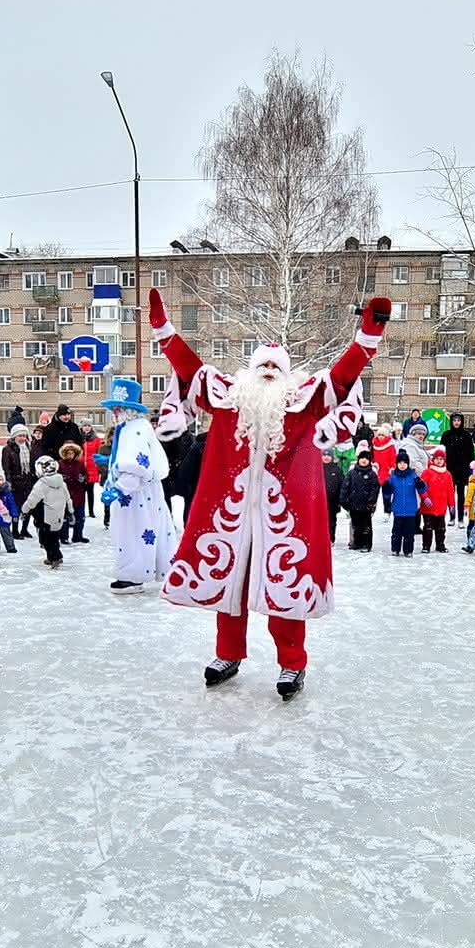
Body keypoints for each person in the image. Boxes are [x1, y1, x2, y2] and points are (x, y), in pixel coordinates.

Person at [149, 288, 384, 700]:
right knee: (229, 584)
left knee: (285, 586)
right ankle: (228, 654)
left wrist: (367, 336)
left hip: (285, 517)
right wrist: (164, 331)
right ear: (250, 371)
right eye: (263, 364)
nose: (270, 369)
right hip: (231, 514)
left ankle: (292, 665)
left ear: (288, 373)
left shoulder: (303, 400)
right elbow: (190, 369)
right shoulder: (228, 397)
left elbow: (342, 377)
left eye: (278, 365)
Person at [98, 376, 176, 594]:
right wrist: (111, 463)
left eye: (117, 408)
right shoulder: (132, 427)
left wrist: (119, 488)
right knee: (140, 531)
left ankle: (132, 576)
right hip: (138, 494)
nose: (114, 413)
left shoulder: (134, 430)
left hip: (134, 496)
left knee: (134, 533)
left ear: (127, 409)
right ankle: (139, 572)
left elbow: (137, 466)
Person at [22, 454, 73, 569]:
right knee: (54, 536)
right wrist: (70, 511)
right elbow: (68, 498)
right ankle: (53, 556)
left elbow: (32, 499)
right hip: (59, 515)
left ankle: (55, 557)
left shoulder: (41, 484)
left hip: (46, 516)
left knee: (45, 538)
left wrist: (24, 510)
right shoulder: (62, 482)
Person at [383, 450, 427, 557]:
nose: (402, 465)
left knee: (409, 532)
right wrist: (386, 489)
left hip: (410, 510)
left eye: (404, 463)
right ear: (397, 464)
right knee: (396, 532)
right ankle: (395, 549)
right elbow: (387, 494)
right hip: (398, 510)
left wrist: (421, 484)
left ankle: (408, 550)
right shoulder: (393, 477)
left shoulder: (413, 476)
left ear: (408, 464)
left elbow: (423, 489)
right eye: (400, 463)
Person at [2, 424, 36, 539]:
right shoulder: (8, 449)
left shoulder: (29, 447)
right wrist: (9, 482)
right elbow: (7, 468)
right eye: (20, 436)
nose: (22, 438)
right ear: (14, 437)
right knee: (15, 507)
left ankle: (24, 529)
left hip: (28, 481)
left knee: (28, 506)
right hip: (16, 482)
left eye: (24, 436)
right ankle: (15, 530)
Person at [341, 449, 380, 551]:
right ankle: (357, 543)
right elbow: (345, 487)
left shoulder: (372, 474)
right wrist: (344, 500)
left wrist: (371, 501)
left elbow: (375, 489)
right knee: (356, 525)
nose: (363, 460)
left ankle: (366, 544)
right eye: (362, 458)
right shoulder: (351, 473)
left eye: (366, 459)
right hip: (353, 504)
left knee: (366, 526)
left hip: (366, 505)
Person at [442, 412, 475, 522]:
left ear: (461, 422)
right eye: (454, 420)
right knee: (450, 495)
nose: (456, 422)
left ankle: (461, 518)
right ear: (451, 422)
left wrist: (470, 467)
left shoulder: (466, 435)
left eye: (458, 420)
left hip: (462, 469)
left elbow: (471, 453)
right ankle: (452, 517)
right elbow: (442, 451)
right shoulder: (446, 435)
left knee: (461, 494)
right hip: (450, 469)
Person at [420, 448, 455, 553]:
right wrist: (425, 497)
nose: (439, 461)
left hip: (441, 507)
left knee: (441, 529)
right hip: (428, 507)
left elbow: (450, 491)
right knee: (428, 528)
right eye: (437, 459)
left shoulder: (447, 474)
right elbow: (421, 487)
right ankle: (426, 546)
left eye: (441, 459)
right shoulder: (427, 472)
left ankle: (440, 545)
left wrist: (452, 504)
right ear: (433, 460)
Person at [55, 441, 90, 545]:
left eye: (72, 453)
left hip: (78, 492)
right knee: (65, 516)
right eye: (68, 453)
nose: (70, 455)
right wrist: (62, 479)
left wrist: (82, 478)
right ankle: (64, 537)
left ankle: (78, 536)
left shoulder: (79, 464)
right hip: (65, 493)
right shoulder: (60, 464)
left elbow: (85, 475)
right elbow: (56, 476)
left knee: (79, 516)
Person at [0, 471, 19, 555]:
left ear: (4, 481)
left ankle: (10, 546)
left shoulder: (7, 493)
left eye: (0, 479)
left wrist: (14, 514)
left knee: (7, 533)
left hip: (4, 518)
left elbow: (12, 504)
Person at [321, 449, 344, 544]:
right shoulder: (317, 469)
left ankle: (330, 538)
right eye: (324, 455)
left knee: (331, 521)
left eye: (328, 455)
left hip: (333, 501)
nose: (326, 457)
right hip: (319, 500)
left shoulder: (337, 469)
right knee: (320, 521)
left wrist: (340, 500)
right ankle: (320, 538)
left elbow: (341, 485)